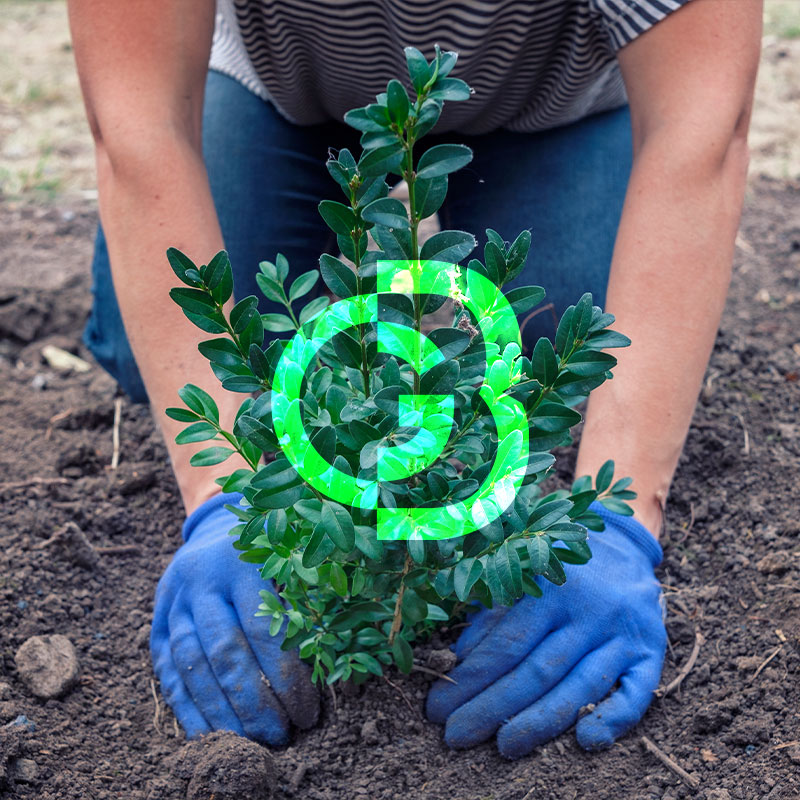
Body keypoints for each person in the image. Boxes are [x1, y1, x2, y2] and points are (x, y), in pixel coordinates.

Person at [66, 0, 761, 758]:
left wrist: (617, 518)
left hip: (555, 103)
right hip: (282, 93)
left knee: (562, 342)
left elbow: (701, 131)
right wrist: (228, 495)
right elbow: (138, 127)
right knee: (169, 351)